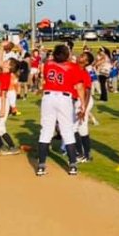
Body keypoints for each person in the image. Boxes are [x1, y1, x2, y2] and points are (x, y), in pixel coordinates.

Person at [36, 43, 86, 177]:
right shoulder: (72, 66)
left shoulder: (48, 64)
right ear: (67, 55)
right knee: (67, 131)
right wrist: (83, 104)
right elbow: (79, 86)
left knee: (46, 130)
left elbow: (47, 72)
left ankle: (41, 165)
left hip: (48, 97)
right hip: (64, 98)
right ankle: (73, 165)